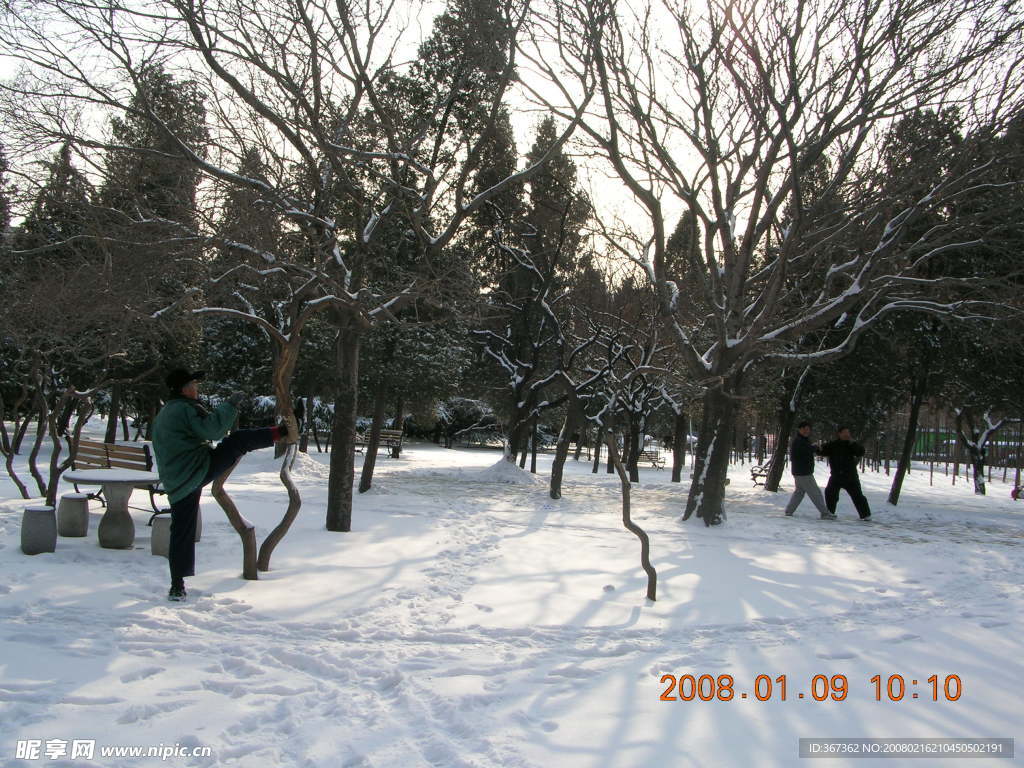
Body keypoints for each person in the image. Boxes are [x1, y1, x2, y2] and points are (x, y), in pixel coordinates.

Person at [152, 368, 291, 602]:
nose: (197, 388)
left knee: (181, 530)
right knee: (238, 441)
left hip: (179, 478)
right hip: (193, 471)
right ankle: (281, 432)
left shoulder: (169, 410)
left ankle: (177, 585)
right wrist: (230, 405)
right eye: (193, 385)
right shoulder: (183, 409)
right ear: (183, 389)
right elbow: (212, 430)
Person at [783, 420, 835, 519]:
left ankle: (789, 511)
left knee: (799, 492)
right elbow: (803, 453)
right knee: (815, 493)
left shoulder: (803, 440)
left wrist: (813, 448)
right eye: (804, 429)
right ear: (800, 430)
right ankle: (825, 513)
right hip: (803, 472)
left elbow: (807, 451)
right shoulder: (799, 441)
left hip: (800, 471)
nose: (806, 431)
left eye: (808, 429)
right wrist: (814, 448)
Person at [819, 425, 872, 520]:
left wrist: (854, 444)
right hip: (836, 476)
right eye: (844, 432)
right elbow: (821, 450)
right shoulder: (833, 445)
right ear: (839, 434)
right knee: (830, 493)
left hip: (850, 477)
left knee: (858, 496)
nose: (847, 435)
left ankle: (866, 515)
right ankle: (830, 513)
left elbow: (861, 452)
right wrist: (816, 447)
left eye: (848, 433)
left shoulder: (852, 444)